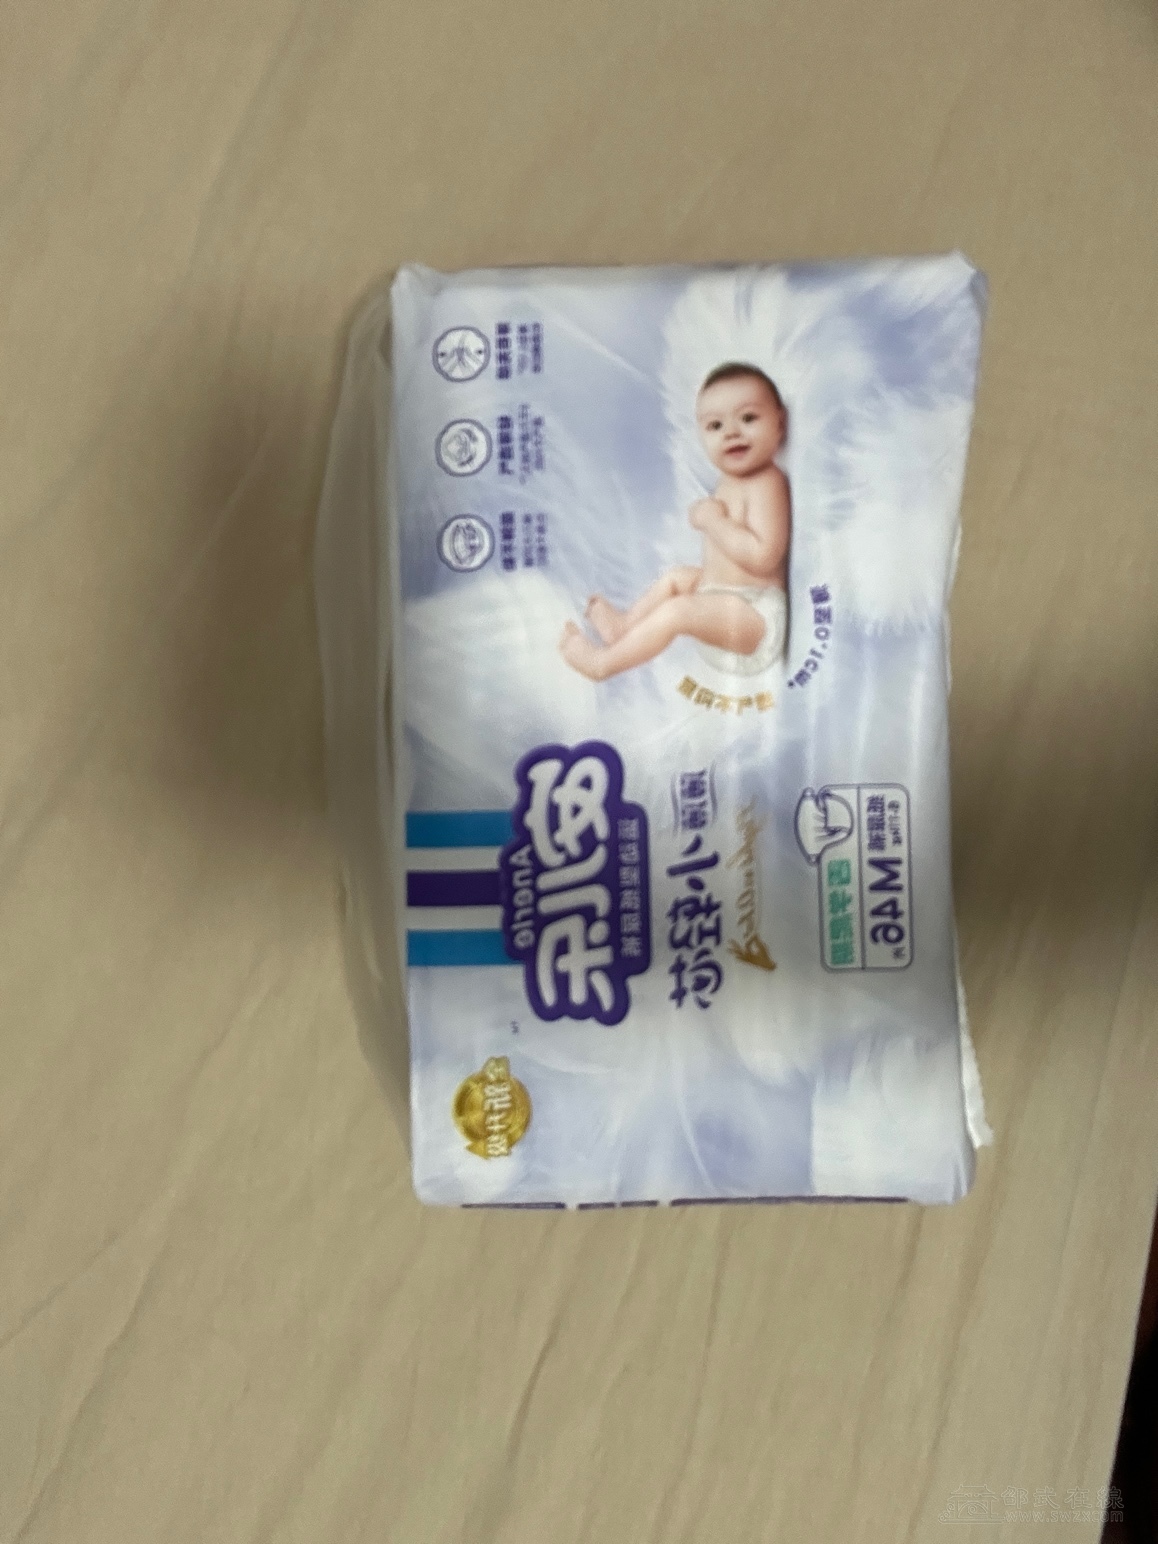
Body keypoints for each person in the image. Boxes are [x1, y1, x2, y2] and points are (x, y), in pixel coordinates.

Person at [559, 362, 791, 682]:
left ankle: (602, 665)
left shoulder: (767, 483)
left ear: (780, 422)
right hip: (722, 602)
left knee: (679, 610)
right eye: (715, 426)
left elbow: (764, 557)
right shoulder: (728, 482)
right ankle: (624, 628)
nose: (732, 433)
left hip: (755, 619)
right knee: (677, 578)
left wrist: (713, 522)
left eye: (748, 418)